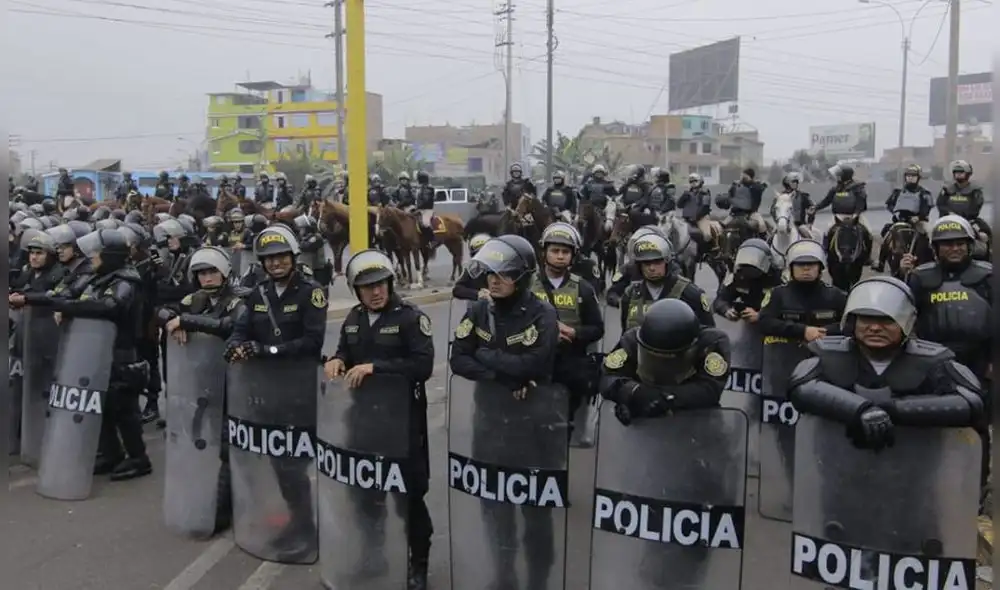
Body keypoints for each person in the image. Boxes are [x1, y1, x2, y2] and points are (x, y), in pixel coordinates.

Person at [448, 234, 560, 590]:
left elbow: (537, 361)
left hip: (535, 428)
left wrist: (486, 357)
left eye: (503, 274)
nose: (493, 281)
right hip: (490, 425)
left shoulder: (543, 313)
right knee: (496, 509)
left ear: (523, 277)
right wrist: (503, 375)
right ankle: (504, 575)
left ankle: (538, 581)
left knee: (536, 513)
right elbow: (457, 358)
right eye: (489, 274)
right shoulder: (478, 309)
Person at [323, 249, 434, 590]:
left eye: (381, 284)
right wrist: (337, 360)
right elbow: (345, 348)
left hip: (402, 425)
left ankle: (418, 564)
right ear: (357, 290)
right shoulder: (354, 317)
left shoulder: (410, 317)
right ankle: (373, 556)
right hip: (363, 423)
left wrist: (377, 367)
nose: (376, 292)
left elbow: (423, 367)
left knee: (409, 496)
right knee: (365, 495)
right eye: (367, 286)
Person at [788, 276, 985, 452]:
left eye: (886, 320)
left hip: (916, 470)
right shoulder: (827, 353)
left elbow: (971, 400)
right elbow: (800, 386)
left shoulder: (934, 360)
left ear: (906, 322)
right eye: (866, 319)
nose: (874, 328)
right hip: (838, 465)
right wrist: (860, 409)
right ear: (852, 321)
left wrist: (892, 410)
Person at [225, 224, 327, 558]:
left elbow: (312, 343)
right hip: (265, 393)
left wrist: (266, 351)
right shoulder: (258, 293)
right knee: (279, 464)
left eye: (281, 257)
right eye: (269, 259)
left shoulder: (311, 292)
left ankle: (310, 527)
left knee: (296, 465)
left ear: (293, 258)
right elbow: (240, 331)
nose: (275, 264)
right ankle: (300, 522)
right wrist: (236, 348)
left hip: (299, 392)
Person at [29, 229, 153, 479]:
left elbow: (109, 306)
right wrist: (51, 302)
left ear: (110, 255)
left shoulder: (125, 280)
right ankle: (112, 454)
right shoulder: (101, 277)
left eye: (97, 253)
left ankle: (139, 459)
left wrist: (69, 308)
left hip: (122, 353)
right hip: (99, 352)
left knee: (123, 410)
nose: (92, 257)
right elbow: (69, 295)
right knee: (102, 406)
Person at [158, 246, 247, 533]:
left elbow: (228, 326)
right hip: (201, 383)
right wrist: (171, 322)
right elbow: (164, 309)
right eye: (202, 273)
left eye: (212, 272)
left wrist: (187, 321)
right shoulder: (193, 298)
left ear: (224, 272)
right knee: (201, 441)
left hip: (231, 383)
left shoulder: (239, 300)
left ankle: (223, 509)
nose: (207, 278)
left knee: (225, 447)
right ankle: (204, 497)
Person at [601, 298, 731, 423]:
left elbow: (710, 389)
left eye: (668, 360)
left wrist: (664, 398)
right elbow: (607, 377)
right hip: (643, 421)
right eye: (653, 357)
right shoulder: (632, 340)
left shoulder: (712, 343)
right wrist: (635, 391)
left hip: (695, 419)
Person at [531, 223, 604, 434]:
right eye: (555, 251)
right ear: (544, 252)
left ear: (574, 255)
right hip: (534, 361)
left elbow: (597, 329)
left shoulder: (584, 288)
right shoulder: (527, 285)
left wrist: (575, 333)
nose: (560, 256)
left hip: (570, 362)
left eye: (565, 251)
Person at [619, 233, 715, 332]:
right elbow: (626, 336)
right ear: (639, 266)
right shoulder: (630, 294)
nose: (652, 268)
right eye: (646, 263)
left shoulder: (690, 293)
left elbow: (708, 333)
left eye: (657, 262)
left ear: (667, 262)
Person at [758, 239, 847, 342]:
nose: (806, 269)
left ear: (820, 268)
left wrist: (824, 331)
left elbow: (850, 324)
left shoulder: (836, 295)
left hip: (826, 351)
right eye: (800, 264)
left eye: (811, 264)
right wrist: (802, 331)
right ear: (791, 268)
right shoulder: (777, 294)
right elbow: (765, 322)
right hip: (786, 352)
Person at [813, 164, 873, 264]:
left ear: (845, 175)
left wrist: (856, 214)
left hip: (855, 216)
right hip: (838, 216)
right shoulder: (835, 188)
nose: (837, 177)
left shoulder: (858, 187)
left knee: (869, 232)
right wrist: (815, 208)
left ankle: (867, 257)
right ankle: (826, 254)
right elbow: (826, 201)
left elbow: (861, 201)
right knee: (826, 232)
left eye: (839, 175)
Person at [713, 238, 783, 321]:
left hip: (775, 322)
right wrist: (726, 310)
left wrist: (761, 315)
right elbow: (720, 299)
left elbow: (791, 306)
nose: (749, 264)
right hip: (749, 319)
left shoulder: (778, 277)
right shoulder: (737, 276)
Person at [937, 159, 990, 257]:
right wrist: (949, 213)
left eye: (961, 172)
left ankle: (987, 257)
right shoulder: (947, 189)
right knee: (933, 233)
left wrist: (963, 217)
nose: (958, 175)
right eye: (956, 173)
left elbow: (976, 206)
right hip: (948, 220)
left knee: (985, 235)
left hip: (969, 220)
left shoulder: (975, 190)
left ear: (968, 174)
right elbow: (940, 204)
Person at [675, 173, 718, 258]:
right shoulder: (687, 193)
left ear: (700, 181)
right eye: (691, 181)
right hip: (687, 219)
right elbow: (679, 205)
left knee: (707, 235)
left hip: (701, 218)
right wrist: (684, 196)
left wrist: (696, 217)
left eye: (695, 181)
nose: (693, 183)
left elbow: (705, 207)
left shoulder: (705, 192)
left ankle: (708, 252)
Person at [719, 167, 768, 236]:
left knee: (762, 225)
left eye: (745, 176)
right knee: (723, 225)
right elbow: (731, 195)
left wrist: (750, 182)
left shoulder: (755, 186)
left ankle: (763, 240)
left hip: (751, 213)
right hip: (736, 213)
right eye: (742, 176)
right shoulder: (737, 186)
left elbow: (758, 189)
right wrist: (734, 186)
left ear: (750, 177)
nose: (742, 178)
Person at [771, 172, 815, 239]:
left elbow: (812, 208)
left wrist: (809, 223)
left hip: (800, 225)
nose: (796, 183)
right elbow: (772, 211)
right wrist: (778, 222)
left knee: (808, 235)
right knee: (771, 237)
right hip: (782, 224)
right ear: (787, 183)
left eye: (797, 182)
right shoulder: (779, 197)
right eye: (794, 181)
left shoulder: (803, 195)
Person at [450, 233, 492, 302]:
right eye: (478, 254)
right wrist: (478, 294)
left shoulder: (501, 269)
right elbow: (457, 290)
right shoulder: (473, 270)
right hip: (478, 307)